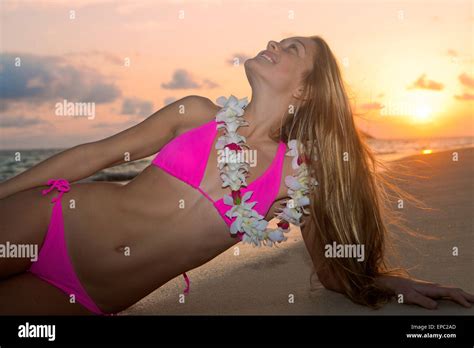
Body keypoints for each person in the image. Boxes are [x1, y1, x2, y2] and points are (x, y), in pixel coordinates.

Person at [0, 36, 472, 315]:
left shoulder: (298, 176)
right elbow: (93, 157)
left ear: (307, 89)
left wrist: (390, 283)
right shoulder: (195, 113)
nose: (272, 44)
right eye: (277, 39)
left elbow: (330, 271)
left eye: (291, 48)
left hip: (84, 297)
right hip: (50, 220)